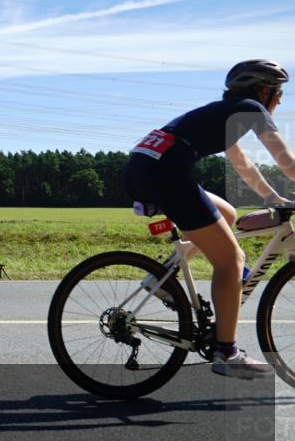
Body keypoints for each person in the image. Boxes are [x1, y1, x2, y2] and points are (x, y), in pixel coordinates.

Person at [123, 59, 291, 380]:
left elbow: (243, 166)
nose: (281, 100)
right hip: (166, 175)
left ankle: (162, 279)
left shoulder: (225, 112)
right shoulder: (252, 109)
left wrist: (274, 198)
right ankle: (226, 353)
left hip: (144, 168)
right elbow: (286, 160)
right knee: (231, 260)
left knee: (226, 214)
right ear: (266, 91)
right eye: (280, 92)